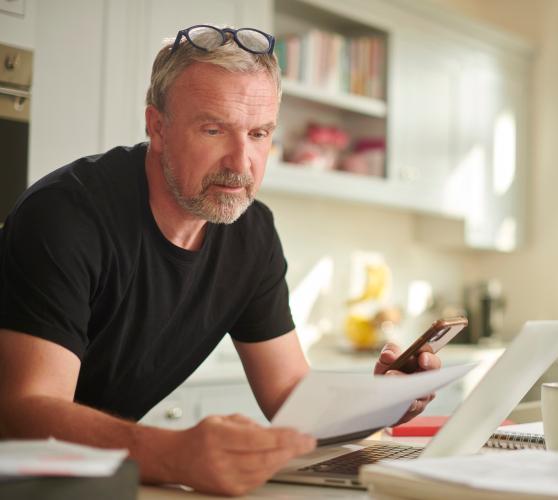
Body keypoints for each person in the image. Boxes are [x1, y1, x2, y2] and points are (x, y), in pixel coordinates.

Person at [0, 25, 439, 496]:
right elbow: (24, 411)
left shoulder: (252, 234)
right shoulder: (67, 216)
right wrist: (174, 453)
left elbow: (292, 397)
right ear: (157, 127)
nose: (241, 161)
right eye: (214, 129)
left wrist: (384, 402)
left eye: (259, 133)